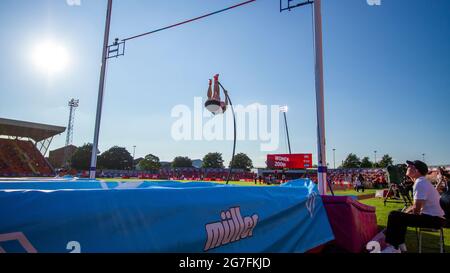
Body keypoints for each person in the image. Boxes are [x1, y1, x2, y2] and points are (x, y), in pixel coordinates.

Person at [382, 160, 446, 253]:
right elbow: (417, 207)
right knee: (399, 214)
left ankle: (394, 247)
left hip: (434, 220)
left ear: (416, 170)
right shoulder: (422, 181)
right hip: (435, 219)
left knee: (394, 215)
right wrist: (405, 212)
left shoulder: (420, 182)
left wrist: (405, 213)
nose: (407, 167)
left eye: (409, 166)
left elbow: (416, 209)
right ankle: (400, 245)